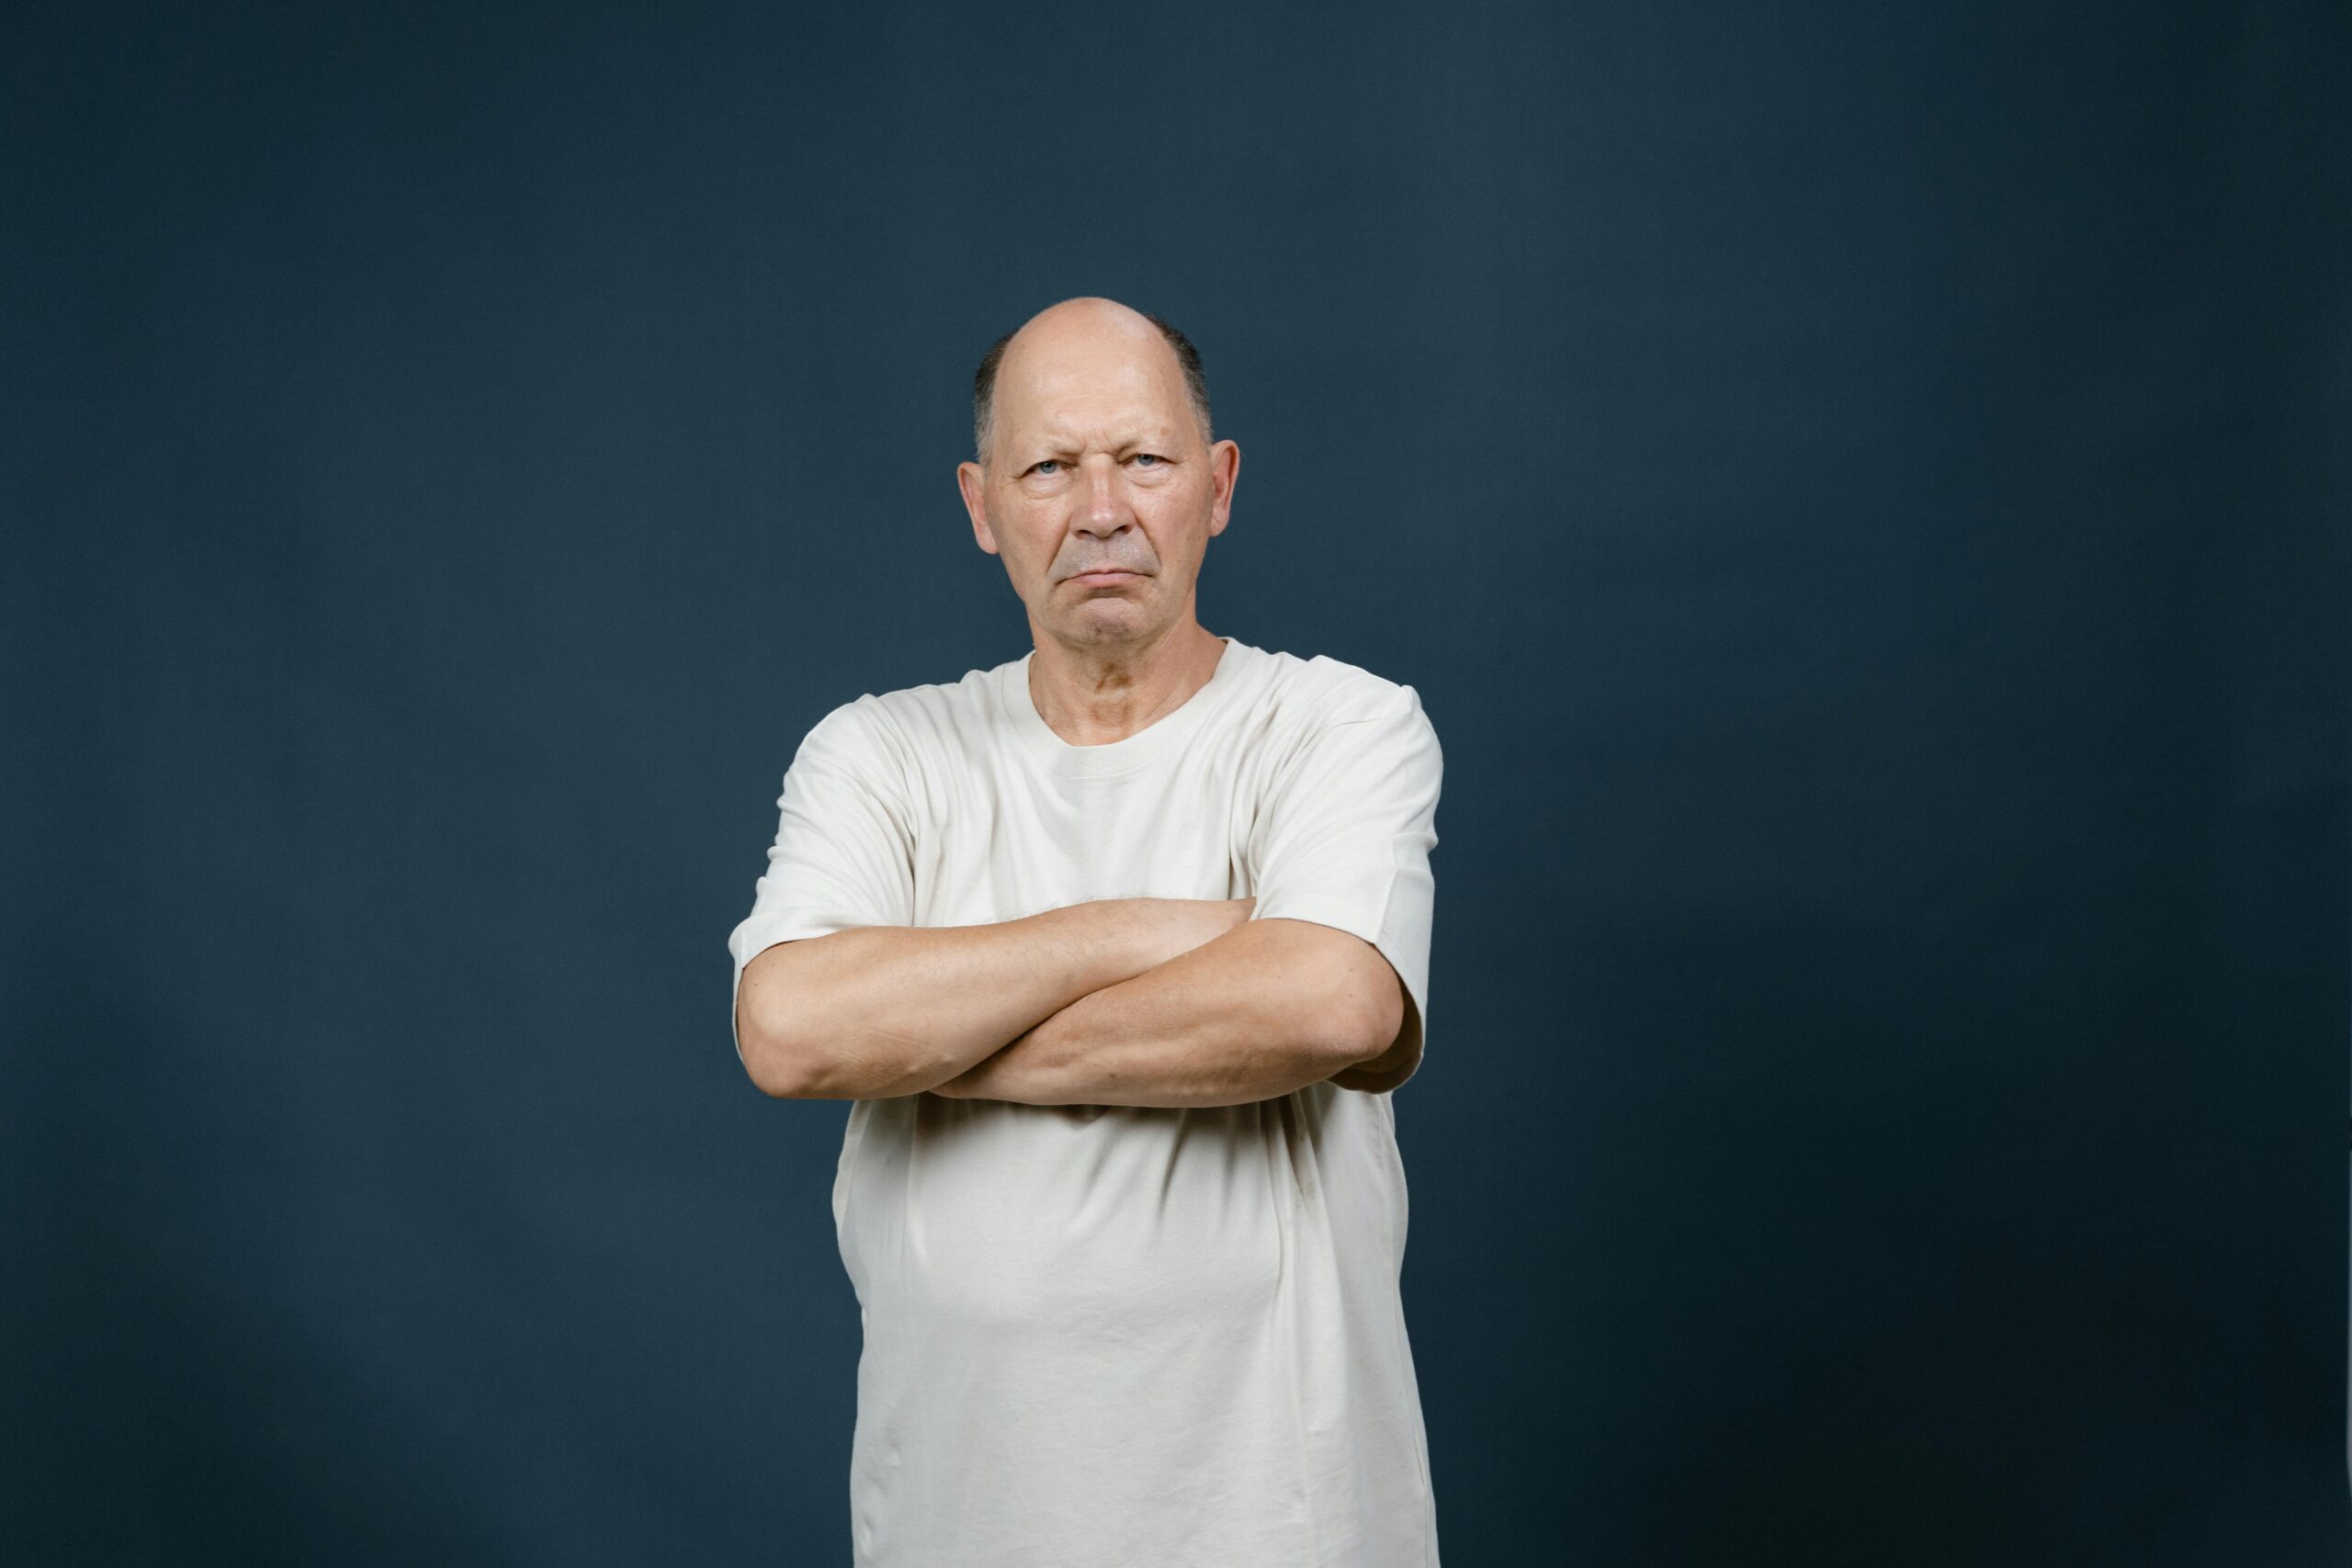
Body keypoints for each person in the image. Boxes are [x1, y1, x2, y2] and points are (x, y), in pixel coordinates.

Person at [726, 296, 1444, 1566]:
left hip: (1285, 1529)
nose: (1100, 507)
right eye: (1050, 466)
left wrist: (928, 1043)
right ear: (982, 505)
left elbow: (1329, 1005)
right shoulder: (882, 755)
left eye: (1144, 460)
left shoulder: (1341, 727)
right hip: (959, 1526)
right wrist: (1143, 931)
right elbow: (788, 1031)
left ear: (1216, 487)